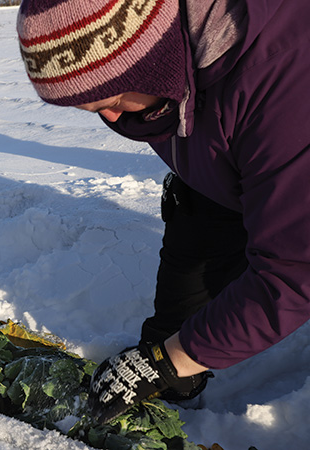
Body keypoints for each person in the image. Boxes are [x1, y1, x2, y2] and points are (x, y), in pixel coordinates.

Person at [17, 0, 310, 424]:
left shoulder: (282, 82)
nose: (113, 118)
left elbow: (295, 270)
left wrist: (170, 359)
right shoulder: (165, 72)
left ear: (153, 61)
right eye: (96, 109)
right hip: (227, 172)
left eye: (112, 100)